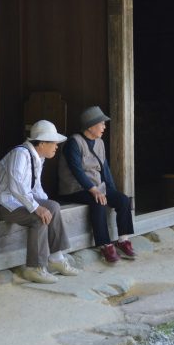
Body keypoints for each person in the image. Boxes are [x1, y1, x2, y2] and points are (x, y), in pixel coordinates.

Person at [0, 119, 79, 284]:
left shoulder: (37, 158)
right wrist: (37, 208)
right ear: (42, 143)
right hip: (5, 203)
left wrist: (45, 206)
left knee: (53, 207)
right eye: (54, 143)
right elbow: (16, 186)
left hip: (19, 201)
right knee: (38, 218)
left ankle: (56, 259)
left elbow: (36, 188)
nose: (57, 146)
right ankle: (34, 268)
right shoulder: (20, 153)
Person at [58, 106, 136, 264]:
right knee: (97, 201)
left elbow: (105, 169)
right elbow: (77, 171)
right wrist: (94, 190)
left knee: (123, 200)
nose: (104, 127)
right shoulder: (74, 143)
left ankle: (123, 239)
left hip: (96, 187)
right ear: (91, 125)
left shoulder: (99, 142)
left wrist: (112, 191)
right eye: (102, 124)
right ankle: (105, 245)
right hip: (74, 188)